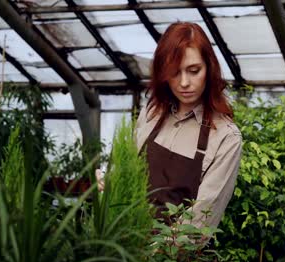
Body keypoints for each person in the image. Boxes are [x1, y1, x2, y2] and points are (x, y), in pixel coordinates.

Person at [99, 22, 242, 229]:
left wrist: (155, 254)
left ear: (209, 69)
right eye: (175, 72)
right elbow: (125, 174)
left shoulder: (225, 137)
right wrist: (107, 183)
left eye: (194, 71)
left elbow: (202, 219)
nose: (184, 82)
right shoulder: (151, 114)